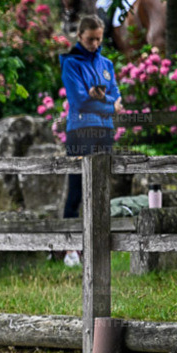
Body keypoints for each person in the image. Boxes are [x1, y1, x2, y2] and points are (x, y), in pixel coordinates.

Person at [59, 15, 123, 267]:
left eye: (98, 39)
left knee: (100, 190)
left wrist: (99, 97)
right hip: (80, 131)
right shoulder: (71, 63)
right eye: (90, 39)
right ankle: (69, 250)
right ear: (79, 37)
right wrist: (107, 104)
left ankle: (96, 247)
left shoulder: (106, 64)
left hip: (104, 131)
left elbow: (116, 95)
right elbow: (79, 101)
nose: (95, 44)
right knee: (76, 190)